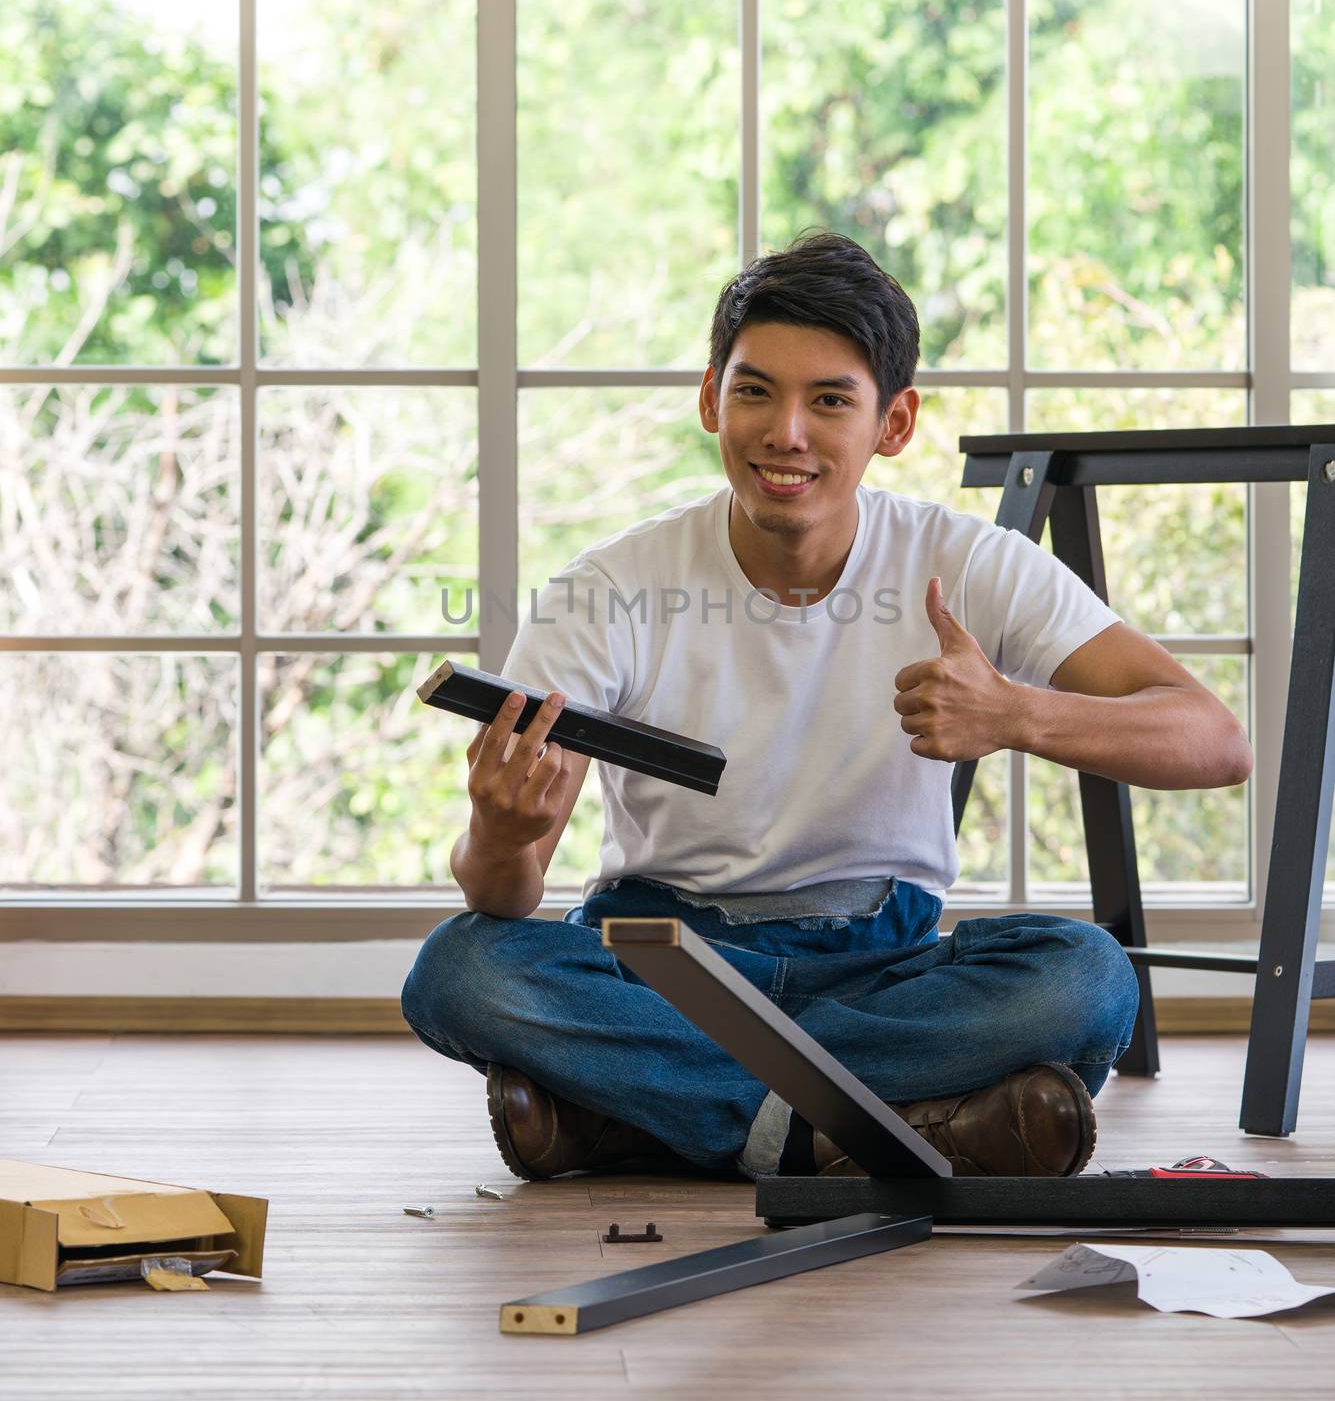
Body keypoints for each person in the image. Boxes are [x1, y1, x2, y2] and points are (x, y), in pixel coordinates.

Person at [400, 231, 1253, 1185]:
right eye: (754, 391)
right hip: (665, 962)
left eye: (831, 400)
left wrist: (1019, 717)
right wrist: (500, 832)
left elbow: (1216, 741)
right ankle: (878, 1130)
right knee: (461, 969)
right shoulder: (607, 587)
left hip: (879, 966)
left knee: (1086, 975)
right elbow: (502, 899)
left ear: (894, 422)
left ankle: (647, 1119)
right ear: (708, 398)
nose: (785, 434)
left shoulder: (967, 562)